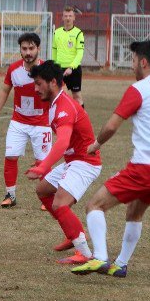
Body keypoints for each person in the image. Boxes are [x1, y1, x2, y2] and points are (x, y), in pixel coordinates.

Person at [71, 40, 150, 278]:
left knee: (94, 206)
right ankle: (120, 264)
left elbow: (112, 125)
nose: (132, 67)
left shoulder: (139, 90)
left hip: (145, 169)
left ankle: (100, 257)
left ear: (143, 62)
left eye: (132, 61)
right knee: (135, 211)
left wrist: (96, 144)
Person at [26, 60, 102, 264]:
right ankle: (73, 234)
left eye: (39, 84)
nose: (35, 89)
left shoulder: (64, 106)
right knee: (43, 190)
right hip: (74, 160)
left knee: (60, 203)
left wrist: (43, 166)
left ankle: (84, 253)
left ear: (52, 82)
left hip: (86, 162)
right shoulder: (55, 103)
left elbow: (62, 142)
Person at [0, 33, 51, 209]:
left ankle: (47, 199)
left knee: (43, 161)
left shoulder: (47, 70)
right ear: (20, 50)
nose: (28, 52)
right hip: (18, 122)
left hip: (42, 123)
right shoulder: (14, 69)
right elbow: (4, 91)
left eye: (31, 48)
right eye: (24, 49)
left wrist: (60, 120)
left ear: (38, 49)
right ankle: (10, 195)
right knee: (10, 156)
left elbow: (60, 94)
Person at [52, 6, 85, 108]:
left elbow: (80, 53)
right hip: (59, 69)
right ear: (62, 18)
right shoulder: (56, 32)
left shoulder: (78, 33)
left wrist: (71, 67)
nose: (68, 18)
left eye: (70, 16)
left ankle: (82, 120)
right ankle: (63, 119)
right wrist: (54, 66)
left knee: (77, 96)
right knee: (59, 96)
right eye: (65, 16)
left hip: (74, 70)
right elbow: (54, 50)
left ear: (74, 18)